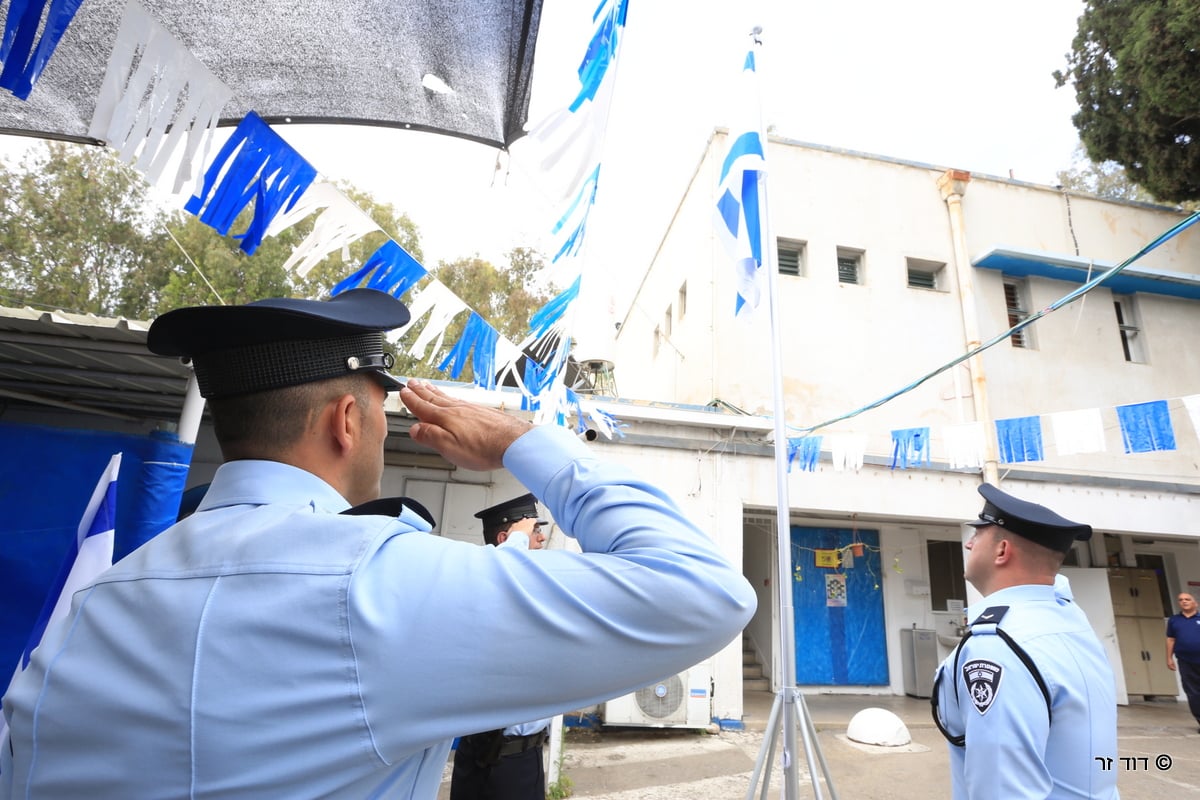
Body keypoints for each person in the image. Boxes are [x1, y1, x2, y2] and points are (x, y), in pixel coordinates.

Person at [0, 289, 757, 799]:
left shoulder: (96, 601)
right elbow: (704, 591)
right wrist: (529, 441)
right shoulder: (374, 584)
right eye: (380, 410)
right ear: (346, 422)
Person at [931, 482, 1118, 800]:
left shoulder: (997, 646)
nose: (968, 544)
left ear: (1002, 551)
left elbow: (1003, 789)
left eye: (978, 534)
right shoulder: (1071, 620)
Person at [450, 494, 554, 800]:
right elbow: (501, 579)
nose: (541, 537)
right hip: (489, 758)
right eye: (533, 531)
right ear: (506, 538)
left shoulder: (531, 590)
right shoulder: (482, 586)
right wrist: (516, 541)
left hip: (521, 761)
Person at [1166, 592, 1200, 732]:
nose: (1184, 601)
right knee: (1192, 692)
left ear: (1195, 603)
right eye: (1181, 600)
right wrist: (1169, 657)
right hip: (1186, 661)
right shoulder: (1174, 620)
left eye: (1187, 599)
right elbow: (1170, 639)